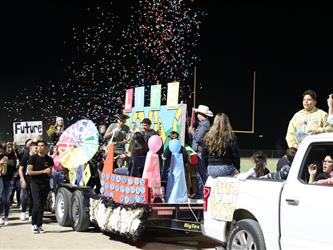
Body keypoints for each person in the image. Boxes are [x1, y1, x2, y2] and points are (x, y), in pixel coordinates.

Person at [27, 140, 53, 234]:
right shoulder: (32, 158)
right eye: (38, 146)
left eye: (42, 145)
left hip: (45, 184)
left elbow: (49, 171)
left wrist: (50, 173)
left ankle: (40, 225)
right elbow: (29, 172)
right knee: (37, 204)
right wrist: (43, 171)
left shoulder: (49, 159)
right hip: (35, 183)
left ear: (45, 147)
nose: (40, 147)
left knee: (42, 205)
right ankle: (34, 224)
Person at [203, 113, 240, 178]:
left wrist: (208, 167)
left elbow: (204, 155)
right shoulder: (230, 136)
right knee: (239, 176)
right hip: (225, 168)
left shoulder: (207, 136)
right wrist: (237, 169)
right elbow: (236, 155)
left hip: (211, 169)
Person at [188, 105, 213, 198]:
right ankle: (201, 193)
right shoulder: (203, 124)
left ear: (200, 114)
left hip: (200, 152)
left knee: (201, 174)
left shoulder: (204, 125)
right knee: (200, 173)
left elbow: (198, 138)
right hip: (198, 152)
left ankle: (202, 194)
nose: (197, 115)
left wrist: (192, 132)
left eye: (198, 113)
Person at [18, 142, 38, 221]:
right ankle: (23, 212)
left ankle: (31, 214)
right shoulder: (25, 156)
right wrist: (23, 180)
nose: (37, 149)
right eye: (35, 148)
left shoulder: (37, 157)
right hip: (26, 178)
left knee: (33, 197)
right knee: (25, 196)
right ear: (31, 148)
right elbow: (20, 169)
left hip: (34, 179)